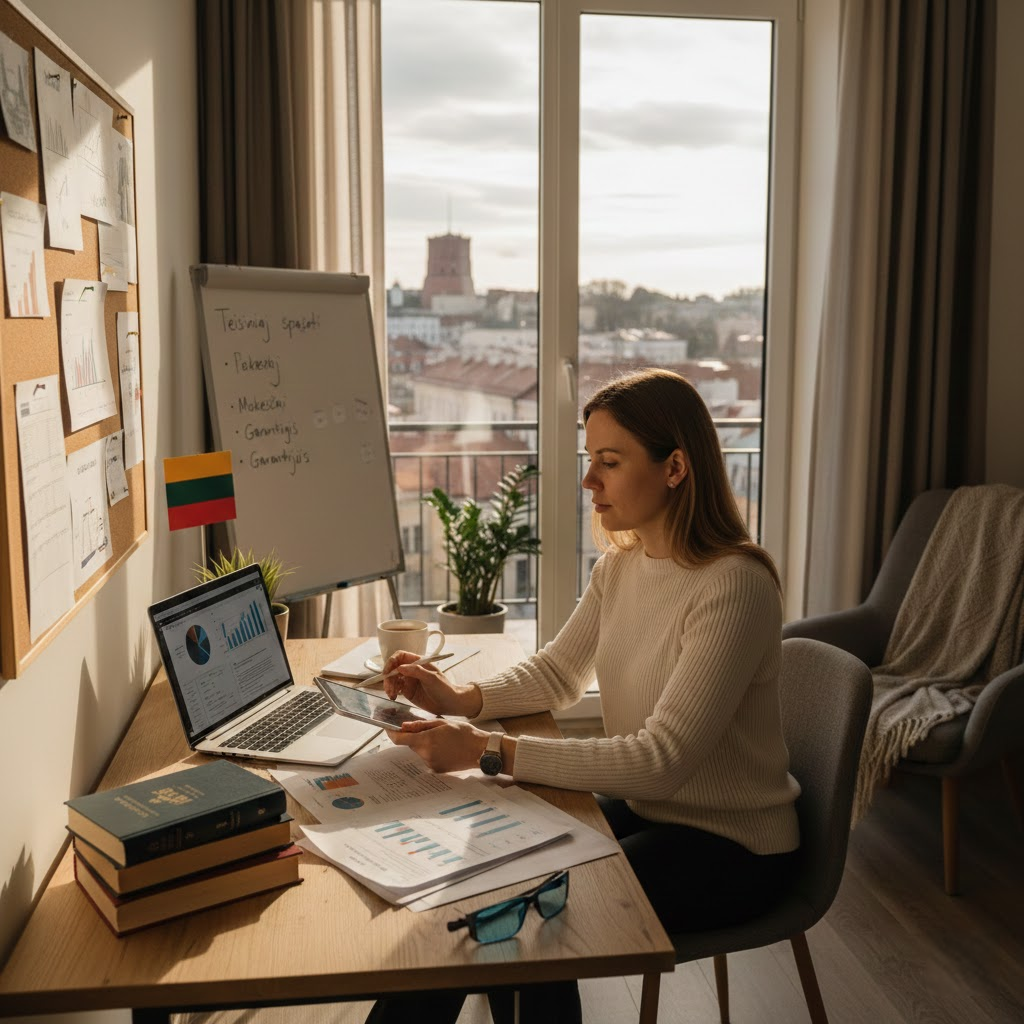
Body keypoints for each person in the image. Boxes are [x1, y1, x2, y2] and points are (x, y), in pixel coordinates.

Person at [365, 368, 800, 1024]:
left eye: (610, 462)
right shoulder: (622, 566)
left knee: (538, 918)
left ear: (675, 467)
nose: (588, 480)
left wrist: (489, 752)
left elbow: (661, 758)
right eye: (588, 459)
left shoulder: (734, 586)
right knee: (483, 885)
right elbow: (556, 676)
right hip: (652, 811)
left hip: (732, 846)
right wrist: (457, 698)